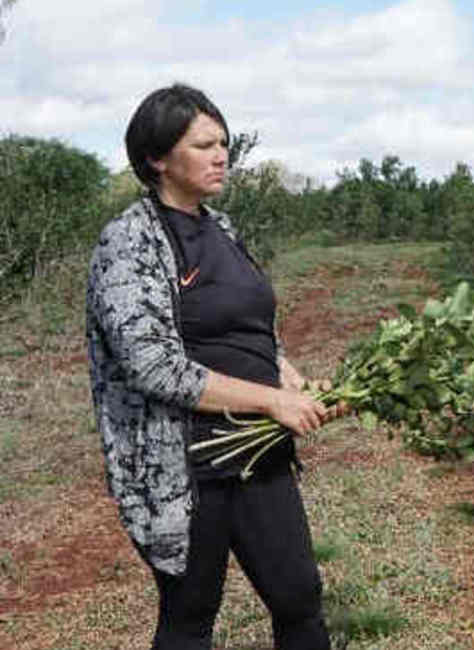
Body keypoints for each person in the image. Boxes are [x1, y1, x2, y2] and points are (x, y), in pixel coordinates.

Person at [86, 83, 340, 649]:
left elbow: (251, 328)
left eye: (224, 143)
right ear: (157, 157)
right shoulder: (128, 241)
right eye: (203, 145)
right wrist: (273, 400)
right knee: (191, 613)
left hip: (258, 449)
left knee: (300, 598)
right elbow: (151, 364)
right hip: (187, 466)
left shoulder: (222, 229)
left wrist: (292, 381)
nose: (222, 155)